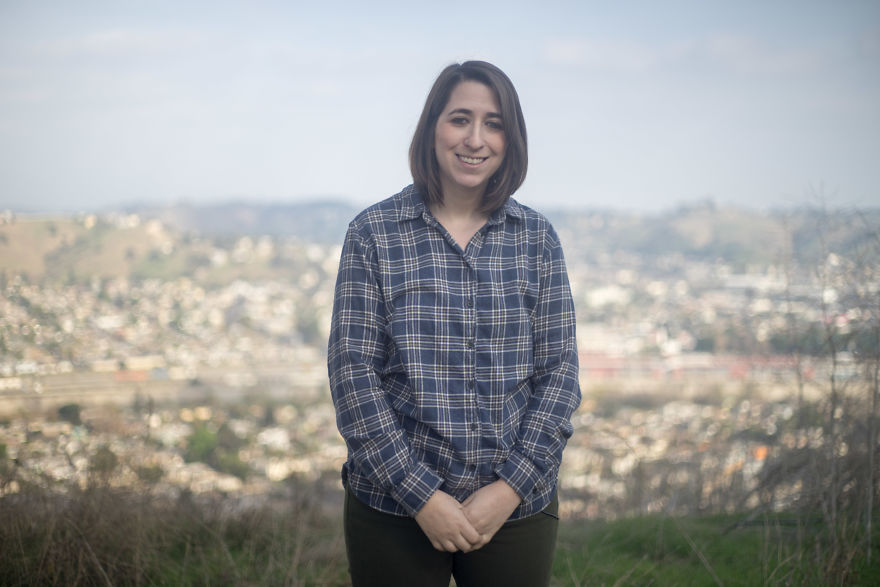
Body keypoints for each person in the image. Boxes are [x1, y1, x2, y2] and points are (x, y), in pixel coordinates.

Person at [328, 60, 581, 587]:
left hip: (516, 508)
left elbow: (559, 374)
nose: (475, 138)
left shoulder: (536, 239)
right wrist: (421, 494)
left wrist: (509, 488)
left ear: (511, 139)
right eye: (459, 118)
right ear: (432, 129)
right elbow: (354, 375)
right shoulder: (374, 233)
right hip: (392, 506)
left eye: (494, 123)